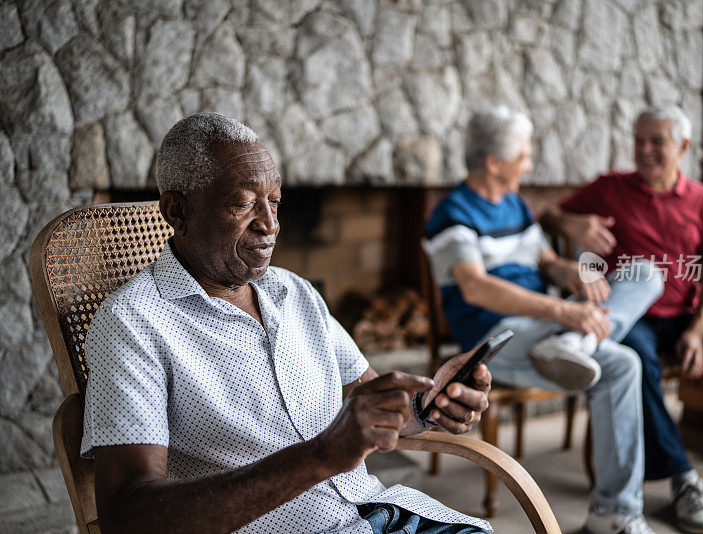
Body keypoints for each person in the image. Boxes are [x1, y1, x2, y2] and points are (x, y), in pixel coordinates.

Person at [80, 112, 494, 534]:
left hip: (383, 515)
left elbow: (372, 401)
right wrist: (321, 456)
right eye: (243, 203)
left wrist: (430, 403)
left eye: (274, 202)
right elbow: (128, 518)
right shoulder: (132, 324)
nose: (271, 224)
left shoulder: (294, 292)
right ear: (177, 211)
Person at [547, 104, 703, 533]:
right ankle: (683, 477)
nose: (644, 150)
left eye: (656, 141)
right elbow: (545, 212)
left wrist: (698, 333)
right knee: (635, 358)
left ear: (682, 146)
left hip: (684, 316)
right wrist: (572, 222)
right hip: (632, 314)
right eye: (639, 140)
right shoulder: (609, 188)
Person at [423, 106, 664, 534]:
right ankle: (616, 513)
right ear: (494, 162)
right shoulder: (452, 213)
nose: (530, 163)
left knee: (646, 273)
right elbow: (476, 287)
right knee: (622, 363)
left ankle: (575, 345)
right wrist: (564, 311)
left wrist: (568, 273)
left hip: (550, 323)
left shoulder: (514, 204)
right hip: (495, 337)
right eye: (525, 154)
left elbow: (545, 258)